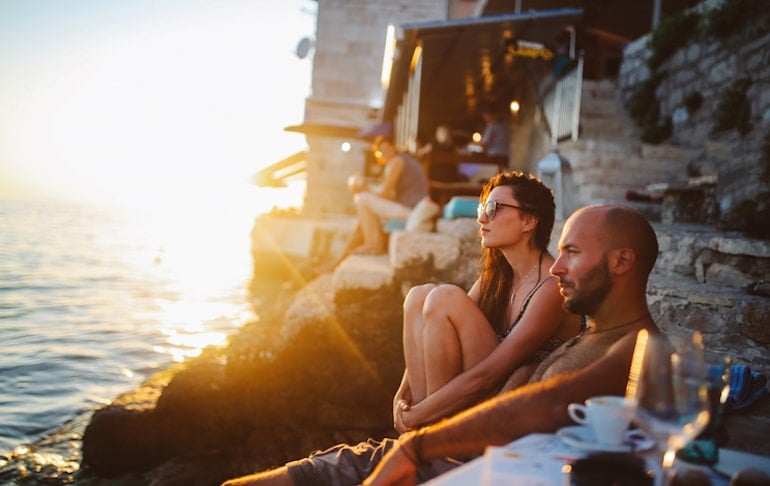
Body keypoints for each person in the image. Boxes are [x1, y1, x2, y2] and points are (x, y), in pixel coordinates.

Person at [221, 204, 661, 486]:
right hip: (442, 455)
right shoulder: (585, 334)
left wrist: (419, 442)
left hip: (454, 467)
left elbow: (542, 405)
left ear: (622, 261)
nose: (558, 267)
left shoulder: (641, 349)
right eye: (559, 252)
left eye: (573, 253)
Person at [393, 171, 583, 434]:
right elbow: (432, 325)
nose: (481, 218)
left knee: (444, 297)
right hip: (473, 390)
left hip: (508, 400)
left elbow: (487, 377)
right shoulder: (498, 275)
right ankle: (424, 429)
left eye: (494, 209)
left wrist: (417, 415)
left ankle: (429, 430)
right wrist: (402, 394)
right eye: (483, 208)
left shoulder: (551, 287)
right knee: (418, 295)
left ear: (528, 221)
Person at [346, 135, 428, 255]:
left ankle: (373, 245)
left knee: (362, 199)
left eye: (387, 149)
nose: (385, 153)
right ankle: (372, 243)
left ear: (393, 147)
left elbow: (385, 194)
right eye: (382, 151)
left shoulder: (397, 161)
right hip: (416, 209)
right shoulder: (404, 159)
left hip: (412, 211)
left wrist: (364, 188)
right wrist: (368, 189)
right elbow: (390, 195)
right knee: (365, 201)